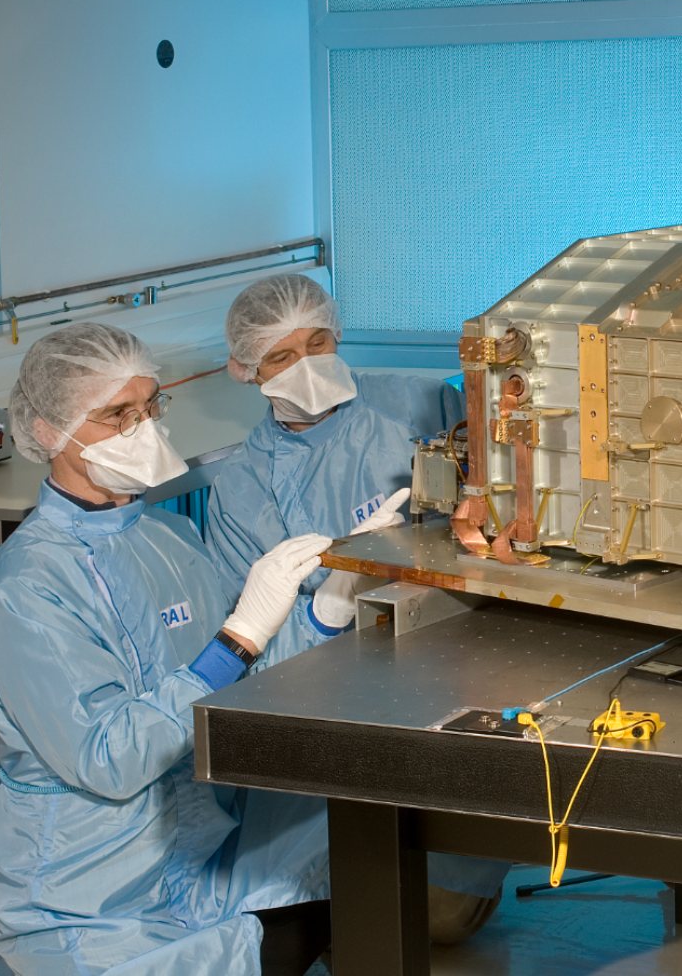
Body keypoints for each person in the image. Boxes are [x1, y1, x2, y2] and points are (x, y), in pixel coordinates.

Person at [0, 323, 334, 975]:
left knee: (352, 852)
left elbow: (236, 675)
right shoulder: (25, 588)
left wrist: (325, 616)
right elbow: (110, 758)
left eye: (149, 406)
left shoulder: (168, 536)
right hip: (80, 893)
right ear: (51, 430)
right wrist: (240, 633)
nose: (145, 428)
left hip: (191, 846)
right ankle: (0, 962)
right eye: (117, 415)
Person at [205, 273, 509, 943]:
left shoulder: (419, 408)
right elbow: (251, 664)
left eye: (319, 344)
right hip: (324, 685)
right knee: (301, 912)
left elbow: (495, 504)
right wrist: (329, 611)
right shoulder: (240, 490)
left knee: (440, 913)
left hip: (443, 656)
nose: (308, 367)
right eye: (283, 358)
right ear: (247, 370)